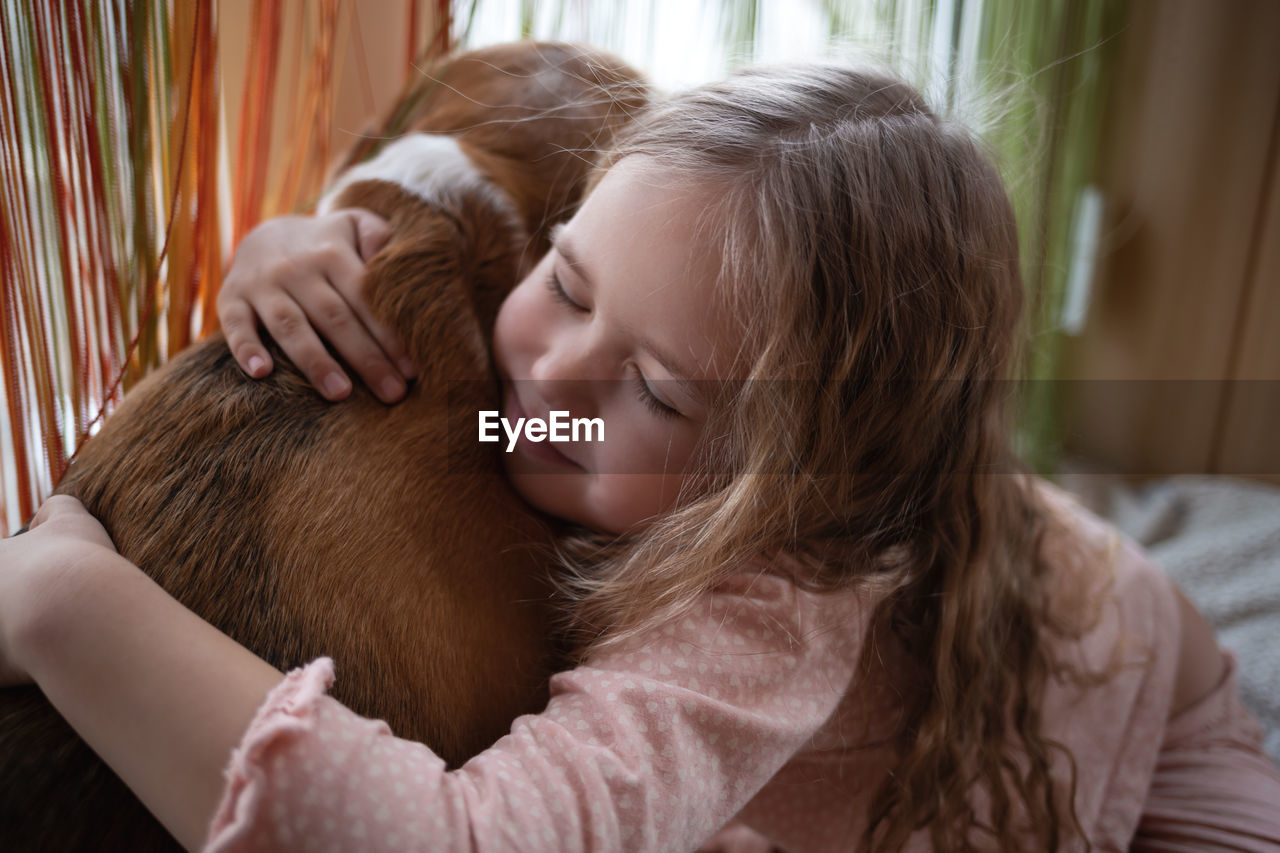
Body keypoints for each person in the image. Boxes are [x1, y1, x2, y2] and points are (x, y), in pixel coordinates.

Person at [3, 61, 1279, 853]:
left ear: (786, 488)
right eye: (563, 278)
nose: (549, 371)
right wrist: (304, 237)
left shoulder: (768, 616)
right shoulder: (579, 402)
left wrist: (64, 596)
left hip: (1135, 698)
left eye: (657, 389)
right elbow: (469, 236)